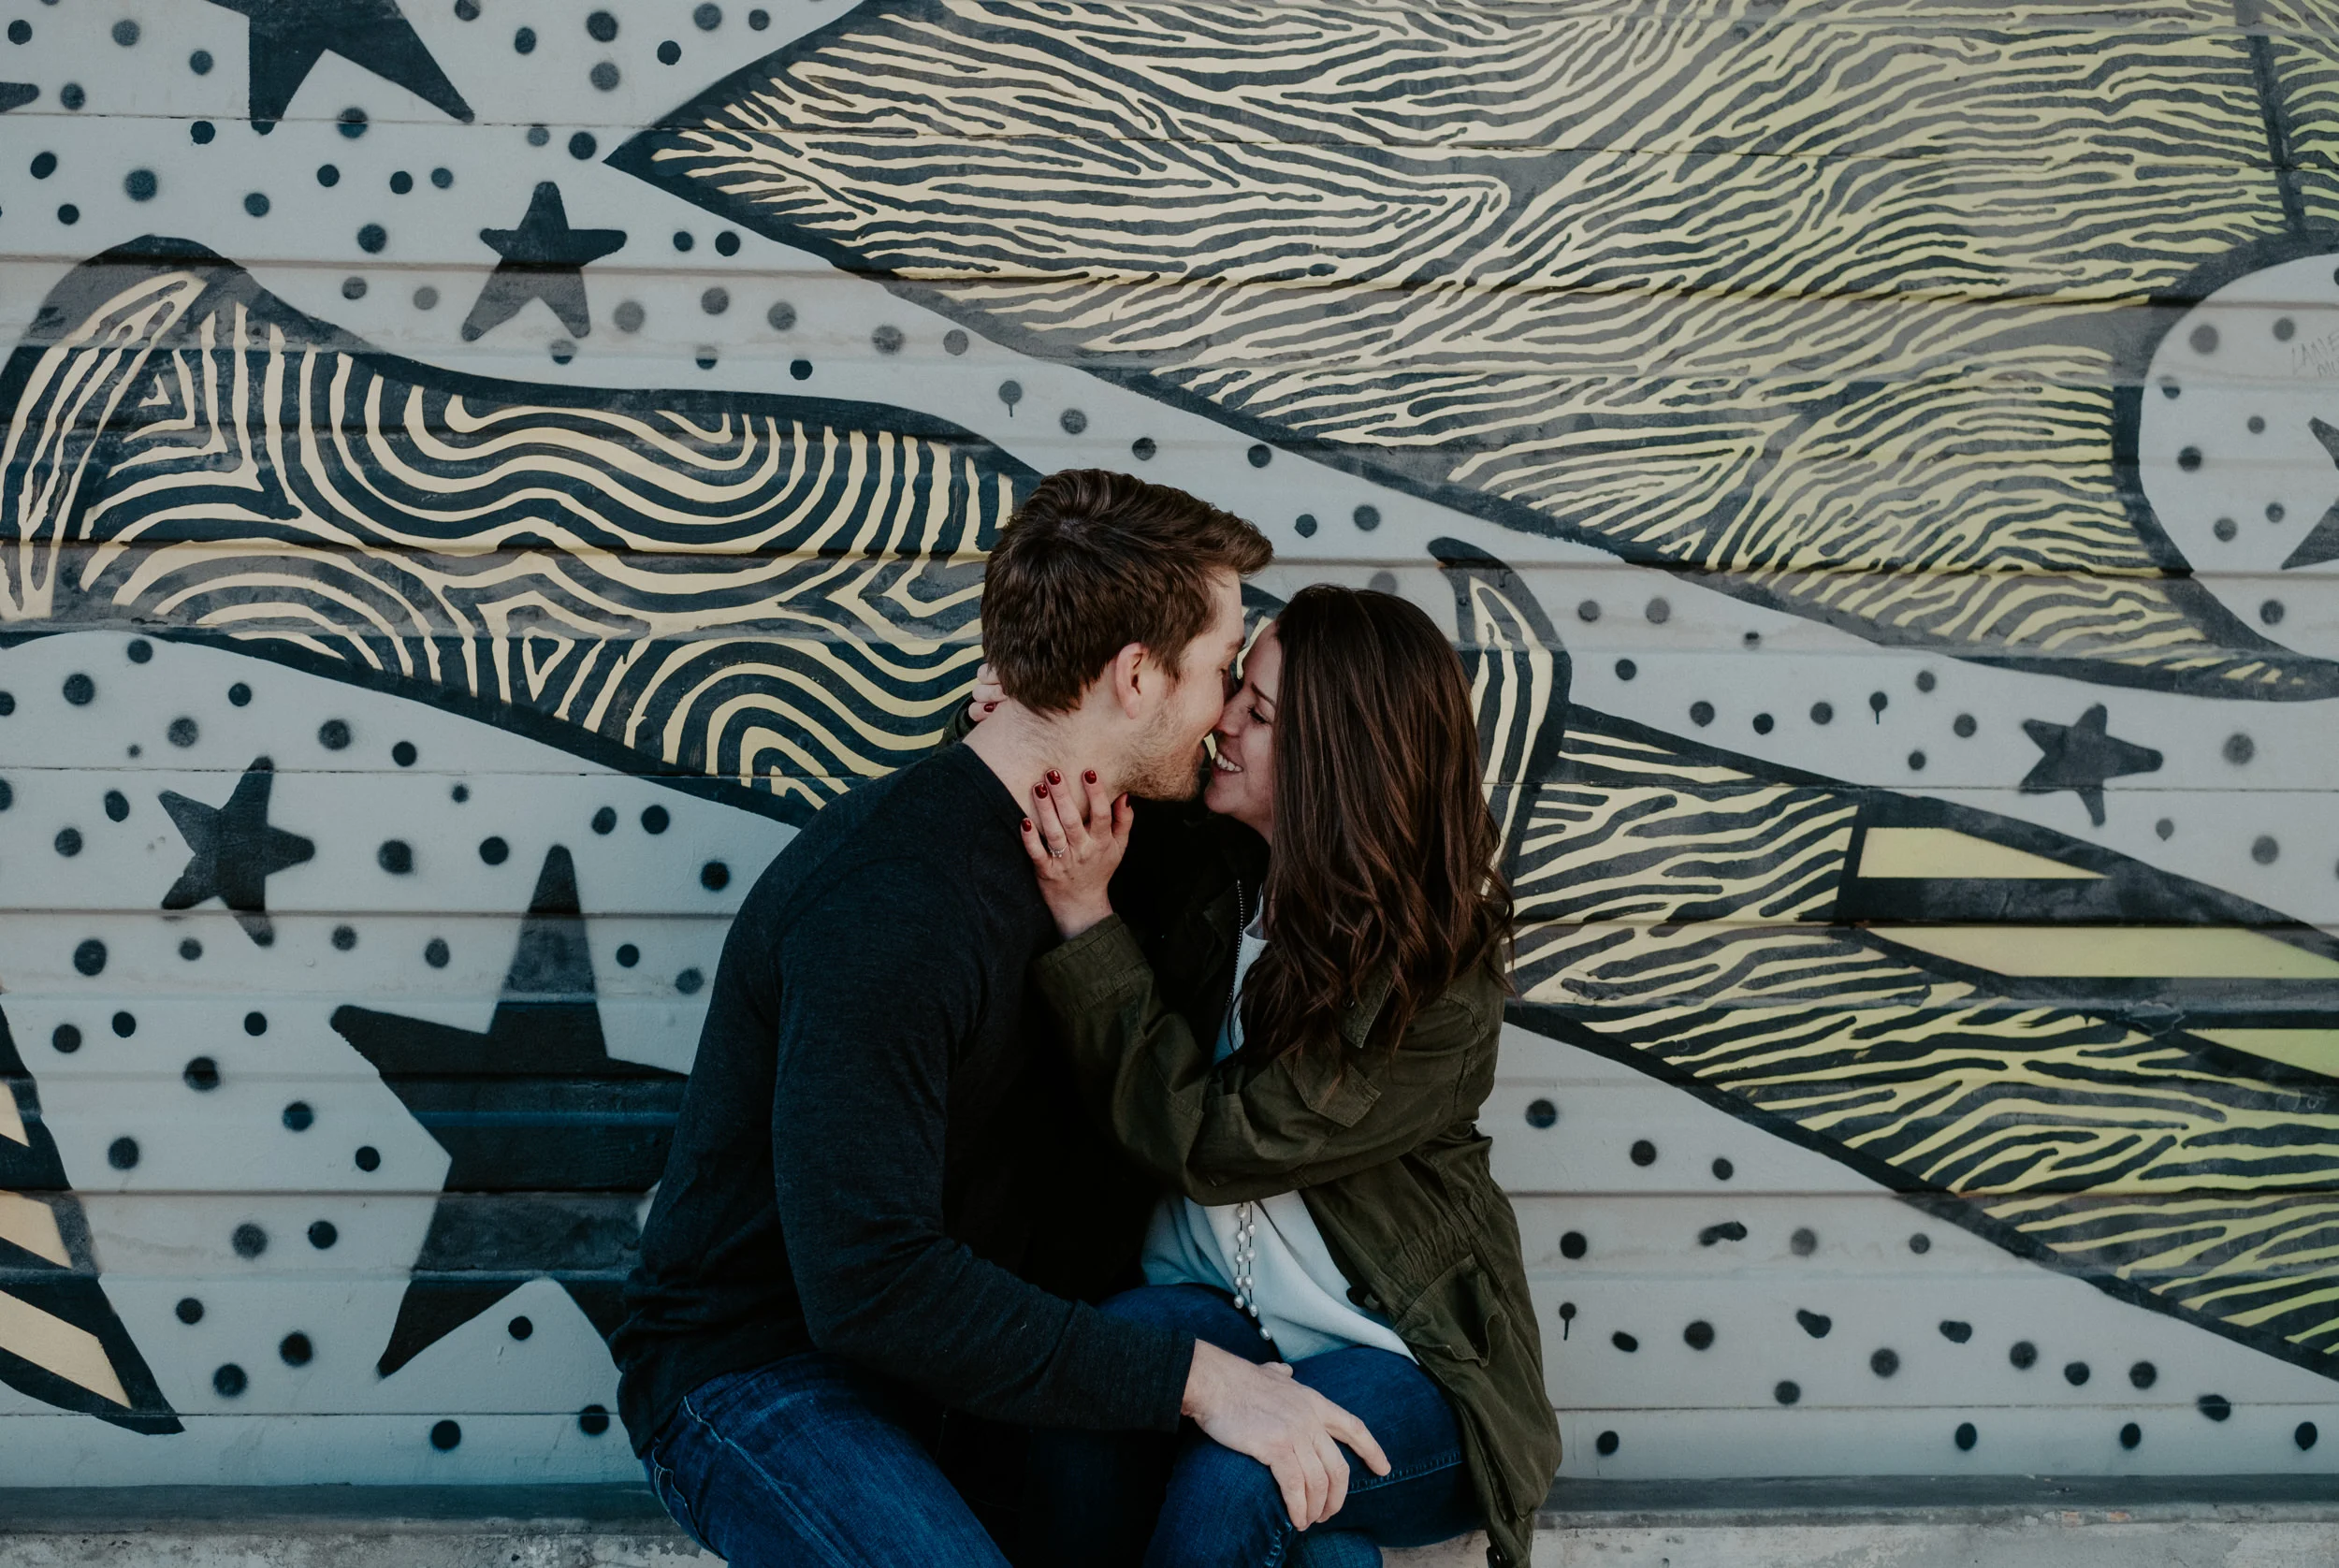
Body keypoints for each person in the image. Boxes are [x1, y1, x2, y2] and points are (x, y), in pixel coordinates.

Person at [610, 472, 1392, 1567]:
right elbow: (869, 1281)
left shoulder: (1129, 841)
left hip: (983, 1371)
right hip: (767, 1371)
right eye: (1222, 670)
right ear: (1134, 675)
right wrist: (1200, 1382)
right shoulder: (887, 902)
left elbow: (1335, 836)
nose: (1227, 713)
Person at [995, 585, 1562, 1568]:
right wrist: (1027, 721)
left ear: (1332, 758)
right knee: (1086, 1391)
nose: (1224, 722)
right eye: (1236, 692)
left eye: (1258, 713)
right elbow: (1076, 762)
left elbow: (1216, 1145)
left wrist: (1087, 922)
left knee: (1252, 1475)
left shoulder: (1430, 974)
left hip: (1402, 1351)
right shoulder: (1216, 871)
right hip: (1211, 1305)